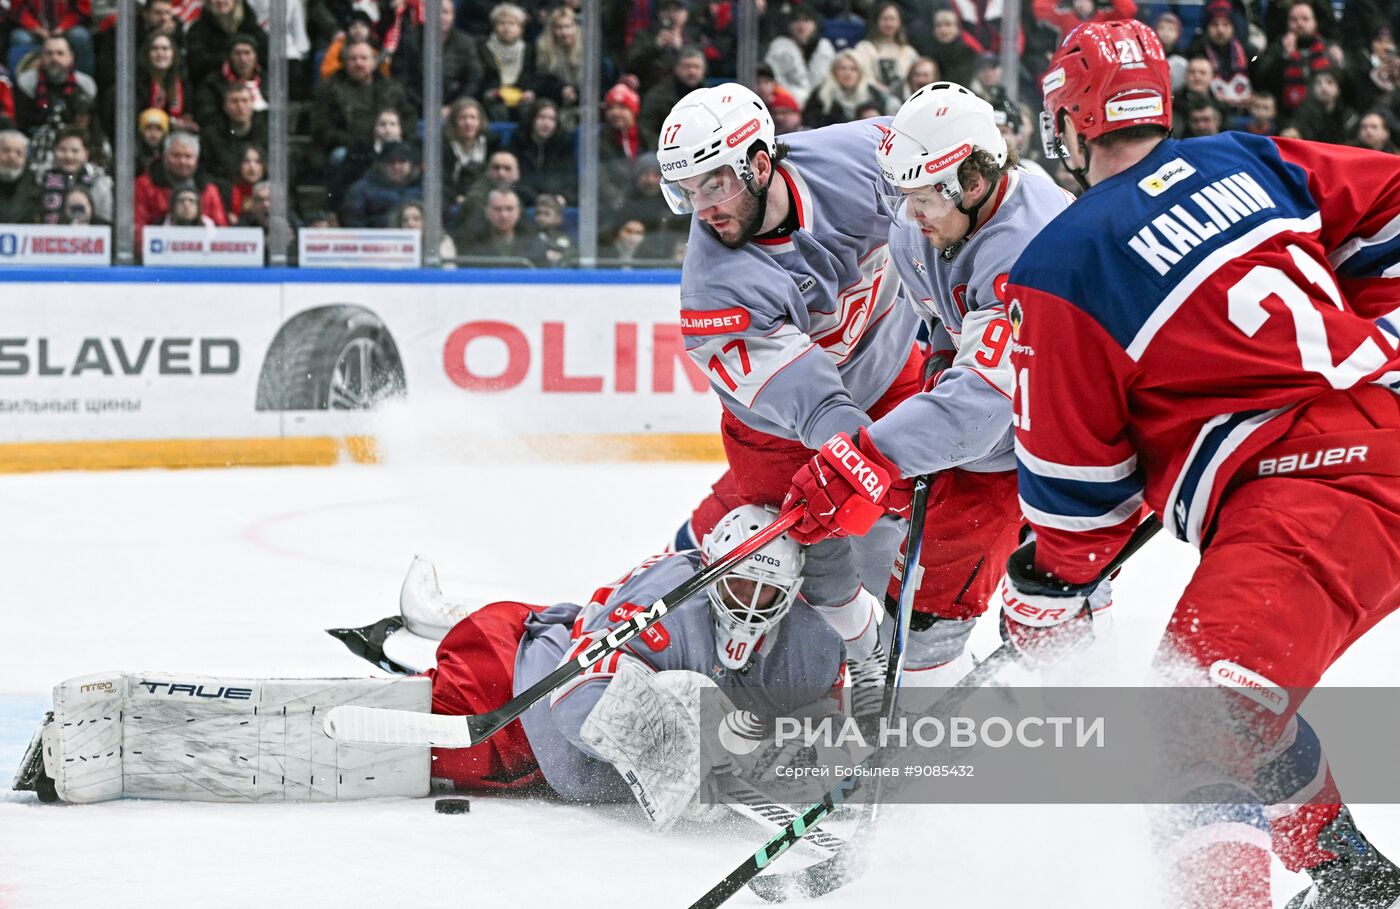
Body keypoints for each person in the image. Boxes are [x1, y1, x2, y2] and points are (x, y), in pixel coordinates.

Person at [999, 18, 1400, 909]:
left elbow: (1078, 510)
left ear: (1067, 123)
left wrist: (1043, 586)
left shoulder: (1061, 263)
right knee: (1226, 692)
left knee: (1184, 734)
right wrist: (1369, 330)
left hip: (1322, 490)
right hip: (1369, 442)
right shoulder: (1242, 157)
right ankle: (1357, 884)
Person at [779, 82, 1073, 685]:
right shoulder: (920, 227)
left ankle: (1076, 712)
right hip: (1001, 437)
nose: (908, 214)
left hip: (1072, 448)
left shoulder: (1033, 248)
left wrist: (865, 458)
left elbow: (982, 404)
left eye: (921, 198)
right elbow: (946, 317)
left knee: (1054, 607)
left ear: (970, 182)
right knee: (916, 602)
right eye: (903, 194)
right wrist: (942, 357)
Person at [658, 82, 924, 687]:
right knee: (790, 552)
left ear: (759, 162)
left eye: (714, 183)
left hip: (888, 370)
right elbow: (819, 408)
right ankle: (848, 652)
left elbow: (950, 198)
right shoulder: (714, 292)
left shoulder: (865, 155)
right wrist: (880, 470)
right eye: (686, 193)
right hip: (776, 433)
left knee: (952, 491)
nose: (703, 209)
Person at [391, 0, 482, 115]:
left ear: (453, 16)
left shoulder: (466, 43)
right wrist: (424, 106)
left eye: (446, 12)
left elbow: (473, 80)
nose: (441, 17)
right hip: (414, 106)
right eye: (436, 12)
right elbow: (400, 76)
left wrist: (453, 107)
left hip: (454, 109)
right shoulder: (410, 39)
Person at [133, 129, 228, 231]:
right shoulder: (144, 185)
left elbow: (221, 229)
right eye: (176, 155)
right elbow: (138, 225)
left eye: (188, 156)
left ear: (196, 160)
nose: (182, 161)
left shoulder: (209, 189)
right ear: (165, 157)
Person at [14, 34, 98, 135]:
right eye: (49, 53)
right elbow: (23, 125)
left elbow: (93, 127)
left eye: (60, 53)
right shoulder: (26, 83)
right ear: (41, 56)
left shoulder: (86, 85)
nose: (54, 58)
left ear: (71, 57)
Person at [183, 0, 268, 86]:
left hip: (254, 86)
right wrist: (230, 60)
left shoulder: (251, 27)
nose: (220, 1)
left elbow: (267, 58)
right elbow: (195, 65)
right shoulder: (198, 30)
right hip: (213, 90)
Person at [35, 126, 111, 223]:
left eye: (75, 151)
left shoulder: (99, 181)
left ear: (86, 153)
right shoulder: (41, 178)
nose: (68, 156)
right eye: (62, 150)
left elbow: (105, 220)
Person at [763, 6, 834, 108]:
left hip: (820, 105)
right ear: (789, 25)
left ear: (815, 24)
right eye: (796, 20)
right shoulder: (779, 46)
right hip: (786, 105)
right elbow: (774, 79)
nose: (801, 25)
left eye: (806, 20)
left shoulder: (824, 46)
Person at [339, 141, 421, 228]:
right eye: (390, 162)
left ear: (411, 165)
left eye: (402, 161)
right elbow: (353, 222)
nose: (396, 167)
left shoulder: (424, 188)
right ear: (381, 165)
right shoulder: (361, 190)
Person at [803, 50, 894, 127]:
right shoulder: (821, 94)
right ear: (834, 71)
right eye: (842, 68)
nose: (848, 73)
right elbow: (810, 122)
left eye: (853, 69)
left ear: (860, 72)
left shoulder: (872, 94)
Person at [510, 98, 576, 203]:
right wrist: (538, 199)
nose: (546, 123)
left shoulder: (564, 144)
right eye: (541, 117)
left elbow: (569, 179)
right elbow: (514, 182)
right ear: (532, 119)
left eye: (551, 119)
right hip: (523, 201)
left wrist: (564, 198)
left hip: (556, 202)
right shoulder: (517, 141)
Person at [479, 2, 535, 123]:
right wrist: (489, 92)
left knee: (527, 111)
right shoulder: (482, 47)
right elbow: (479, 77)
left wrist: (529, 92)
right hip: (493, 98)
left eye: (512, 24)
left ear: (521, 28)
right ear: (494, 27)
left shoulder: (529, 50)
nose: (506, 28)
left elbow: (533, 77)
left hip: (521, 97)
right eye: (502, 23)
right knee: (497, 110)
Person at [460, 187, 546, 264]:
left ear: (519, 212)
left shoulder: (534, 244)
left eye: (509, 209)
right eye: (497, 209)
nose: (503, 215)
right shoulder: (471, 245)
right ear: (487, 212)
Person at [851, 2, 919, 99]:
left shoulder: (909, 52)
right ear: (876, 21)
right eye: (884, 19)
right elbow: (864, 78)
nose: (889, 23)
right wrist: (886, 91)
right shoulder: (864, 48)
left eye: (892, 19)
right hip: (874, 99)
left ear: (899, 22)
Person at [200, 82, 267, 180]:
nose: (240, 106)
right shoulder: (212, 136)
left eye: (245, 101)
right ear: (225, 107)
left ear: (252, 105)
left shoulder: (265, 133)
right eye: (234, 101)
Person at [390, 199, 457, 265]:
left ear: (427, 221)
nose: (410, 223)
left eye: (416, 219)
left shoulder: (443, 241)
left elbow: (448, 270)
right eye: (405, 220)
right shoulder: (394, 244)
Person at [217, 144, 266, 223]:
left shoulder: (271, 192)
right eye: (246, 161)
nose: (252, 167)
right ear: (239, 165)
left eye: (257, 162)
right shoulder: (227, 192)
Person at [0, 129, 39, 223]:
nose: (12, 156)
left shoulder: (35, 186)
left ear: (26, 158)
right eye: (6, 150)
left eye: (19, 152)